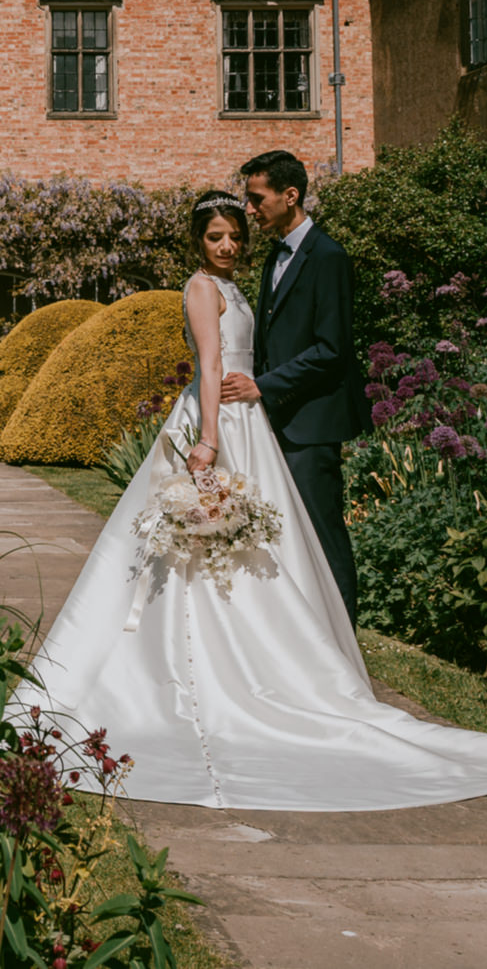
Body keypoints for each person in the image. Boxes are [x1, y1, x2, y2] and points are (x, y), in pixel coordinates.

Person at [4, 190, 487, 810]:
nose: (228, 245)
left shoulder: (236, 286)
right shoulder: (201, 289)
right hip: (220, 425)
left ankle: (273, 663)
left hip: (250, 422)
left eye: (235, 235)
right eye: (216, 237)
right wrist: (208, 442)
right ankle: (189, 673)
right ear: (198, 242)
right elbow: (210, 366)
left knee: (260, 545)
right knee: (202, 546)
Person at [219, 149, 366, 629]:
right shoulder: (274, 256)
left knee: (324, 535)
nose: (250, 208)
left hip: (312, 423)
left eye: (257, 198)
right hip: (276, 420)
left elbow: (331, 350)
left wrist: (261, 386)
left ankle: (343, 637)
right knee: (286, 535)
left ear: (290, 195)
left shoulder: (328, 257)